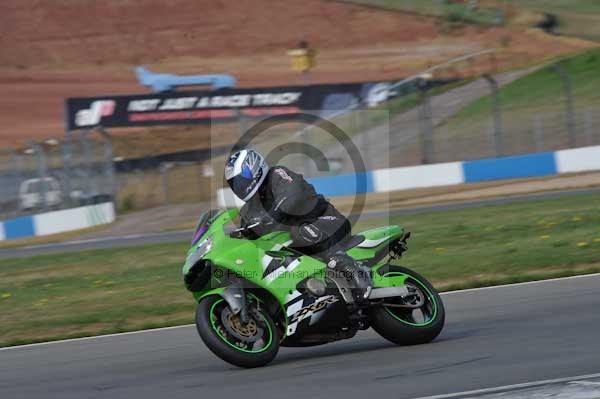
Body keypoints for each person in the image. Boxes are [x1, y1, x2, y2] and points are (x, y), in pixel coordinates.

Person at [224, 149, 371, 303]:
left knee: (298, 231)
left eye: (241, 179)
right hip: (299, 249)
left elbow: (293, 196)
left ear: (254, 167)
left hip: (329, 223)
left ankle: (351, 269)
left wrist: (270, 217)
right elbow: (249, 241)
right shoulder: (248, 210)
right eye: (234, 184)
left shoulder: (277, 174)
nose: (239, 186)